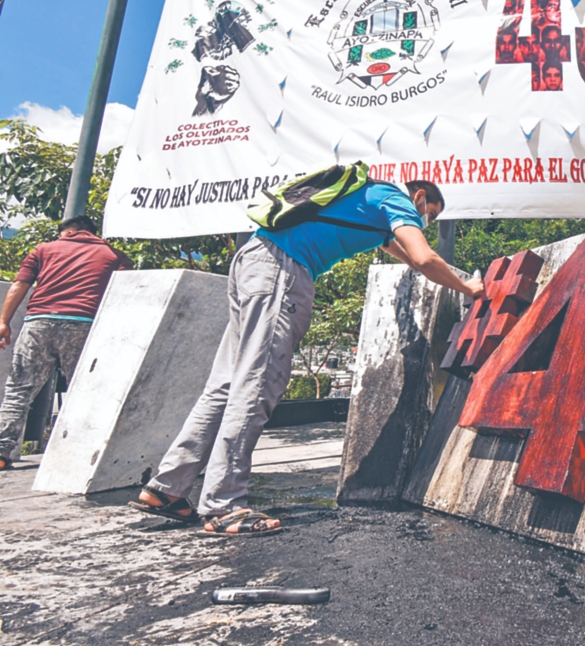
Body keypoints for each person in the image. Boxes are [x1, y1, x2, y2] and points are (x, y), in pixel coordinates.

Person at [131, 179, 484, 535]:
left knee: (225, 386)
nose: (424, 221)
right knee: (257, 384)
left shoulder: (366, 202)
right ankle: (224, 505)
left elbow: (408, 255)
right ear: (420, 197)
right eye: (429, 214)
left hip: (254, 261)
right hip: (283, 271)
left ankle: (167, 489)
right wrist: (470, 288)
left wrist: (440, 272)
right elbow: (425, 257)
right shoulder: (395, 198)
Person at [0, 216, 133, 468]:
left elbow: (20, 284)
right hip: (84, 325)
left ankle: (1, 452)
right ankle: (74, 456)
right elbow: (124, 292)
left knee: (19, 390)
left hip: (38, 323)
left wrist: (3, 322)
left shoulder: (43, 249)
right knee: (81, 393)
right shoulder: (115, 256)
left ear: (70, 232)